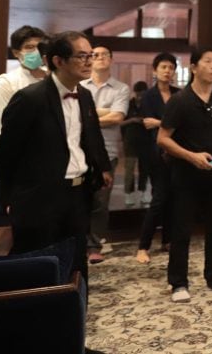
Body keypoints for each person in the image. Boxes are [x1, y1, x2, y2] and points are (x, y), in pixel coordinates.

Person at [0, 31, 113, 291]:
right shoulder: (30, 98)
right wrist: (10, 197)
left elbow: (91, 136)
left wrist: (103, 167)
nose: (89, 62)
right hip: (41, 197)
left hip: (78, 193)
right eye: (82, 56)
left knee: (77, 263)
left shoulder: (84, 95)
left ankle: (76, 309)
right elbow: (5, 151)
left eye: (90, 56)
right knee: (40, 265)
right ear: (58, 61)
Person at [158, 47, 212, 302]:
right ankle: (178, 283)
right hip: (185, 174)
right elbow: (163, 139)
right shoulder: (179, 101)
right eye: (208, 62)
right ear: (193, 67)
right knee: (182, 229)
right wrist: (192, 156)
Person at [80, 45, 130, 264]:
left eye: (104, 55)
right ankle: (78, 242)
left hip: (108, 151)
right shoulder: (79, 86)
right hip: (79, 151)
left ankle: (94, 246)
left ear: (111, 59)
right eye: (95, 55)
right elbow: (73, 115)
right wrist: (103, 113)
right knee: (79, 199)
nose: (99, 58)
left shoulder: (121, 88)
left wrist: (88, 117)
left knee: (101, 201)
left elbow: (117, 117)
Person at [136, 52, 180, 264]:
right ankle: (143, 246)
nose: (167, 71)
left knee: (174, 198)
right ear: (155, 70)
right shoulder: (148, 96)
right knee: (159, 198)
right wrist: (167, 124)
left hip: (178, 152)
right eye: (163, 67)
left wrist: (159, 122)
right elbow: (147, 123)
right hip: (156, 153)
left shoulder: (179, 94)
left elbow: (183, 122)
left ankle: (167, 240)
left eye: (171, 68)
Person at [0, 25, 49, 160]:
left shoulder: (55, 78)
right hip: (23, 155)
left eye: (39, 47)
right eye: (29, 47)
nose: (36, 52)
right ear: (16, 52)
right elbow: (14, 124)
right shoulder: (6, 82)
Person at [120, 80, 150, 207]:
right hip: (130, 141)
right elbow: (119, 123)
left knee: (145, 168)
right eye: (138, 94)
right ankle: (129, 193)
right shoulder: (128, 104)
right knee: (129, 169)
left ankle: (143, 192)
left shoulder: (149, 105)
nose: (140, 97)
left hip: (146, 141)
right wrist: (132, 120)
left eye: (143, 94)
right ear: (135, 93)